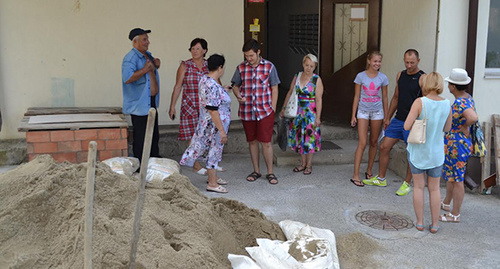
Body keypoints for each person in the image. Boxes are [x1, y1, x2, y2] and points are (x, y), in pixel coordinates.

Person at [363, 49, 426, 196]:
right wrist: (388, 117)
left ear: (418, 61)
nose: (409, 65)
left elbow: (426, 102)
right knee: (384, 146)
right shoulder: (401, 75)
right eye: (406, 62)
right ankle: (381, 178)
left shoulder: (423, 78)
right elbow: (396, 97)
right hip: (398, 119)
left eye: (412, 62)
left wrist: (422, 123)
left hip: (413, 122)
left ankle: (407, 183)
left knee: (411, 153)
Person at [404, 72, 452, 233]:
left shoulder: (420, 102)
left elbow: (406, 126)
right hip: (437, 152)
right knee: (435, 189)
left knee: (418, 187)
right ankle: (435, 224)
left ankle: (419, 222)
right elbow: (447, 128)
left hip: (418, 151)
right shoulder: (447, 104)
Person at [231, 39, 281, 184]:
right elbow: (235, 85)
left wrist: (273, 107)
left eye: (251, 55)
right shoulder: (241, 68)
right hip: (247, 111)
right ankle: (256, 170)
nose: (249, 59)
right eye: (246, 56)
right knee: (252, 142)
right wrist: (238, 95)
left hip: (265, 110)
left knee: (266, 142)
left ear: (258, 52)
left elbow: (275, 88)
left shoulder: (269, 67)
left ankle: (270, 172)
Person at [180, 54, 231, 193]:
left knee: (211, 152)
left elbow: (212, 98)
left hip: (207, 123)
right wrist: (221, 131)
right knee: (214, 152)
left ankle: (212, 177)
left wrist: (223, 90)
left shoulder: (205, 79)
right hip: (213, 126)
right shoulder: (212, 84)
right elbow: (213, 110)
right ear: (220, 68)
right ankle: (212, 184)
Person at [169, 38, 214, 175]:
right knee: (192, 136)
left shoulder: (208, 65)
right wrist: (172, 106)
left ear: (204, 51)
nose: (195, 51)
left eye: (198, 49)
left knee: (205, 135)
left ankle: (208, 162)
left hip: (205, 106)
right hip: (189, 105)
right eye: (193, 48)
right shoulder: (185, 65)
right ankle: (195, 164)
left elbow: (215, 84)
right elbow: (178, 86)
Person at [440, 68, 478, 223]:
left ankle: (455, 214)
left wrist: (464, 127)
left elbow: (473, 117)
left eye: (449, 83)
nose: (448, 85)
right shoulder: (467, 97)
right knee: (451, 176)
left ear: (453, 86)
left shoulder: (461, 103)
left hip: (457, 144)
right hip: (454, 144)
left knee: (457, 179)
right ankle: (447, 203)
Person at [280, 54, 324, 175]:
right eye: (306, 65)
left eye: (311, 66)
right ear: (303, 64)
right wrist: (284, 108)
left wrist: (318, 117)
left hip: (310, 112)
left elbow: (319, 99)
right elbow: (290, 92)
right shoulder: (297, 76)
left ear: (315, 67)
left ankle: (309, 165)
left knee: (309, 139)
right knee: (300, 137)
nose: (308, 68)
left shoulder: (316, 79)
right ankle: (302, 163)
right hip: (298, 111)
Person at [122, 28, 161, 162]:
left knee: (154, 136)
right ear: (135, 42)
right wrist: (145, 70)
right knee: (141, 138)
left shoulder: (147, 55)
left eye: (147, 39)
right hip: (140, 105)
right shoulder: (130, 58)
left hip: (151, 102)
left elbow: (151, 71)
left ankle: (153, 164)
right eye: (144, 39)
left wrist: (156, 65)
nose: (148, 42)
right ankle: (140, 167)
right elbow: (127, 78)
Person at [350, 51, 388, 186]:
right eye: (375, 61)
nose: (377, 64)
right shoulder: (360, 76)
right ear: (369, 61)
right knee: (362, 142)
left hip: (378, 112)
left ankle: (369, 170)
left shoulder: (383, 78)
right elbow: (356, 96)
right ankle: (355, 175)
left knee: (373, 142)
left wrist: (386, 116)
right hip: (363, 112)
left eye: (379, 61)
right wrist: (353, 114)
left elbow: (384, 97)